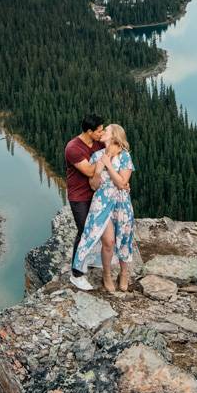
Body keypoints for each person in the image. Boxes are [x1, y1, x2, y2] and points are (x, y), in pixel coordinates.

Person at [73, 124, 137, 293]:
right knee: (108, 241)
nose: (102, 133)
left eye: (105, 131)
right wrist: (97, 172)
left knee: (123, 239)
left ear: (114, 135)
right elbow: (93, 186)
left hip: (121, 202)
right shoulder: (96, 156)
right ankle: (107, 275)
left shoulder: (125, 156)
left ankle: (124, 273)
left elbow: (122, 184)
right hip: (101, 202)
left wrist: (108, 165)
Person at [65, 114, 106, 290]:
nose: (102, 133)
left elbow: (114, 148)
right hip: (79, 196)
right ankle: (76, 274)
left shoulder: (98, 142)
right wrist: (106, 160)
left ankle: (90, 260)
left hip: (97, 194)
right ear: (89, 132)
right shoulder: (73, 148)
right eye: (99, 130)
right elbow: (89, 171)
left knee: (98, 229)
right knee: (84, 232)